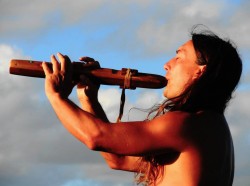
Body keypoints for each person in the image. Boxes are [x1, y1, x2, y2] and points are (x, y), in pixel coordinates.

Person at [42, 27, 242, 186]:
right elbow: (118, 159)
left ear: (200, 71)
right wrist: (88, 98)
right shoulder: (213, 128)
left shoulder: (186, 124)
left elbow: (96, 137)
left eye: (179, 57)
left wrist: (55, 95)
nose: (167, 64)